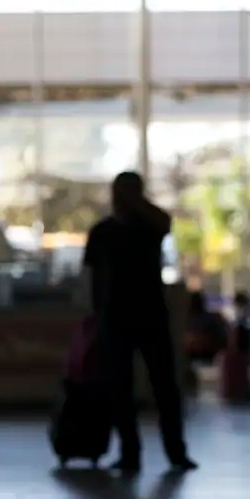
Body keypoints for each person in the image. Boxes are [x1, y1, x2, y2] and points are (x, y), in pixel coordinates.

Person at [82, 171, 197, 474]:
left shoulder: (147, 226)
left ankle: (171, 452)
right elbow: (94, 281)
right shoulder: (105, 232)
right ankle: (136, 453)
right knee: (124, 388)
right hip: (121, 317)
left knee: (162, 387)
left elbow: (165, 223)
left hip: (146, 315)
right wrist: (96, 316)